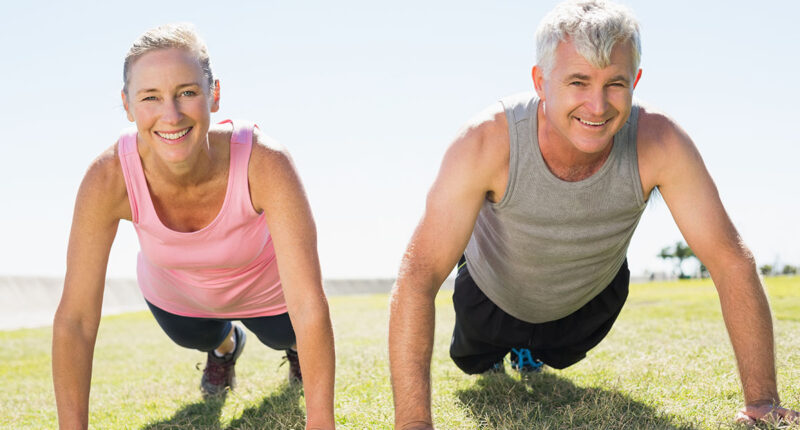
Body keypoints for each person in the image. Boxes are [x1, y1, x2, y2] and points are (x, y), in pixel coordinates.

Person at [387, 1, 798, 428]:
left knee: (555, 353)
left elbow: (730, 260)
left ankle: (532, 350)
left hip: (585, 301)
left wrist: (762, 401)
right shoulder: (485, 141)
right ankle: (499, 349)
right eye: (578, 82)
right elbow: (418, 273)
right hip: (492, 293)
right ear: (541, 82)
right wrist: (414, 422)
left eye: (615, 84)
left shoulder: (661, 142)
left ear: (635, 81)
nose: (598, 106)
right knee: (477, 362)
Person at [52, 23, 335, 429]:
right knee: (194, 337)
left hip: (269, 297)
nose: (171, 114)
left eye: (187, 92)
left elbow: (308, 303)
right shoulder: (108, 177)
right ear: (128, 105)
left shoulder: (265, 161)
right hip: (179, 298)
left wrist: (321, 422)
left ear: (213, 95)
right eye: (150, 97)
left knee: (286, 334)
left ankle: (294, 352)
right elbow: (76, 318)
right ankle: (225, 346)